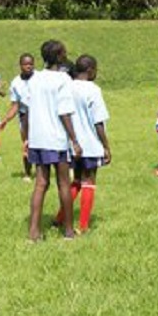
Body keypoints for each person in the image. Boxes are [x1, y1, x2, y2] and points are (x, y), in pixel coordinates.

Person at [25, 40, 81, 241]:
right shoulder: (63, 79)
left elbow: (29, 109)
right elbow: (64, 112)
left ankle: (33, 232)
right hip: (56, 139)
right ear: (59, 56)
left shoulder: (34, 79)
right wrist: (74, 140)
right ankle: (68, 231)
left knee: (40, 183)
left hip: (38, 138)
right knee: (64, 183)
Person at [58, 55, 112, 234]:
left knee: (76, 180)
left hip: (71, 144)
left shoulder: (68, 86)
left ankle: (60, 217)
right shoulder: (93, 90)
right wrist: (106, 146)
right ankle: (83, 225)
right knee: (89, 181)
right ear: (90, 70)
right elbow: (98, 121)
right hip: (90, 144)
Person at [0, 53, 35, 180]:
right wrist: (6, 120)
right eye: (26, 64)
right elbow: (15, 105)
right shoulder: (16, 82)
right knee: (26, 144)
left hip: (39, 115)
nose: (29, 66)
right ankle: (27, 173)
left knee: (41, 144)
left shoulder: (39, 78)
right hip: (24, 116)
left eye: (31, 64)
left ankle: (43, 171)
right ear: (20, 65)